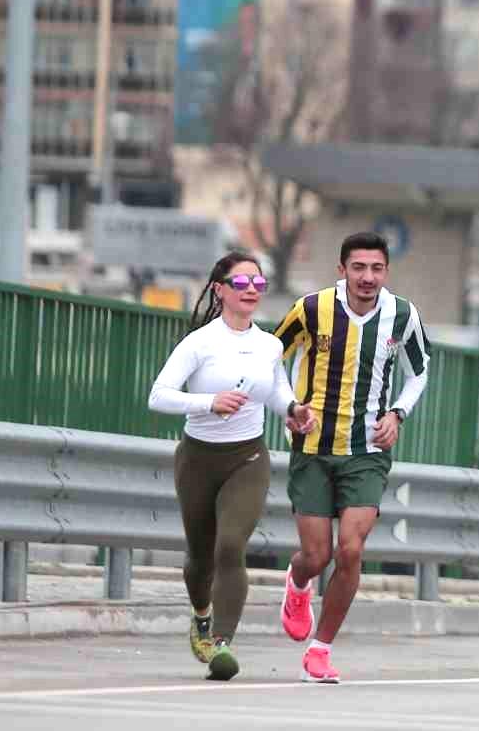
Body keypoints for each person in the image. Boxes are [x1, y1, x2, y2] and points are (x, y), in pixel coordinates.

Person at [272, 231, 433, 684]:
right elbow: (271, 357)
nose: (368, 277)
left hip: (367, 452)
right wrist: (288, 406)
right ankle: (298, 582)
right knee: (315, 554)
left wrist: (398, 413)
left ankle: (320, 650)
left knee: (351, 549)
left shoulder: (403, 315)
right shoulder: (311, 308)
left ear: (386, 271)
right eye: (358, 268)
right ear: (341, 270)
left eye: (376, 268)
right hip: (313, 449)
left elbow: (419, 373)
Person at [148, 251, 317, 681]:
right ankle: (202, 617)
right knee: (200, 560)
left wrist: (294, 410)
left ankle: (221, 642)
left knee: (230, 546)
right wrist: (209, 403)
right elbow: (159, 395)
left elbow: (277, 393)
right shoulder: (200, 343)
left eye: (258, 285)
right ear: (220, 290)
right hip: (198, 459)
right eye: (241, 284)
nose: (251, 292)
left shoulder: (269, 345)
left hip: (248, 458)